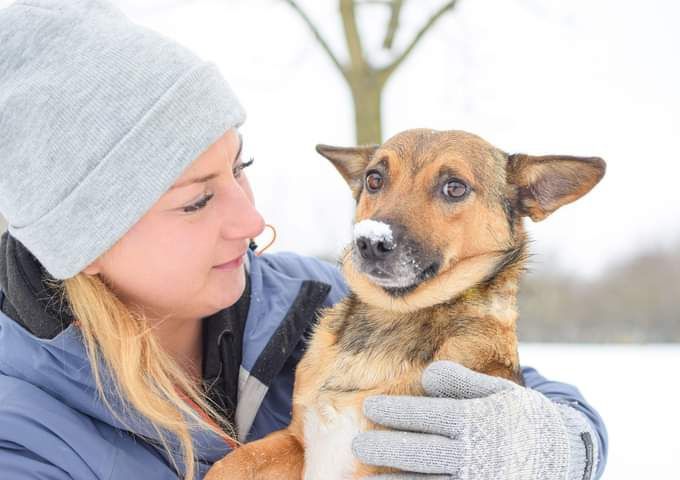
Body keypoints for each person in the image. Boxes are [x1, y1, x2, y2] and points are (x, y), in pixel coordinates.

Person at [0, 1, 608, 479]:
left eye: (241, 167)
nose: (250, 220)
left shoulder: (317, 300)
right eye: (196, 199)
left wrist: (560, 447)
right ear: (85, 243)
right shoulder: (20, 436)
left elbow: (544, 400)